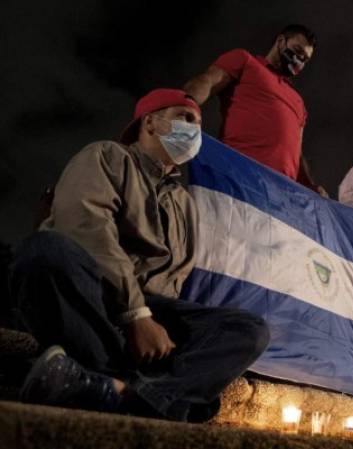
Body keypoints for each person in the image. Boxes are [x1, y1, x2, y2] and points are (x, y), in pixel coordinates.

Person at [10, 88, 270, 422]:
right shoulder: (106, 156)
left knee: (248, 330)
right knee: (44, 251)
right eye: (185, 118)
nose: (195, 130)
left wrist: (157, 331)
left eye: (199, 123)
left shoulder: (185, 203)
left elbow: (175, 280)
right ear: (150, 122)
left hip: (151, 319)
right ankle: (154, 395)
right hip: (101, 298)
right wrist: (136, 314)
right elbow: (86, 226)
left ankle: (114, 388)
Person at [184, 24, 326, 195]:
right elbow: (207, 81)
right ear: (281, 41)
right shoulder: (245, 61)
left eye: (304, 59)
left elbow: (296, 152)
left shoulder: (298, 102)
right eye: (297, 50)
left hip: (280, 194)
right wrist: (183, 104)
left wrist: (310, 186)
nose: (299, 60)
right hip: (239, 178)